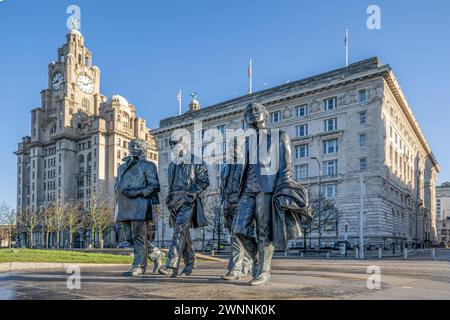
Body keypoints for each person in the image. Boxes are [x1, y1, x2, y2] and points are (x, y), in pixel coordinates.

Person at [234, 102, 309, 286]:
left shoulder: (279, 136)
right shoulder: (247, 141)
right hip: (247, 190)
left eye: (256, 110)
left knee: (263, 232)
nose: (252, 114)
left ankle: (264, 271)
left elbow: (286, 166)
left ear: (265, 115)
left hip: (267, 188)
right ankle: (259, 261)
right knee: (239, 229)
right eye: (248, 112)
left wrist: (283, 188)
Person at [158, 134, 210, 277]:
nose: (172, 147)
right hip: (173, 202)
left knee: (179, 231)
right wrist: (169, 199)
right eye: (170, 144)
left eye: (174, 143)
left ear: (184, 143)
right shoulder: (172, 164)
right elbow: (171, 184)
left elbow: (204, 181)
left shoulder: (196, 161)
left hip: (188, 201)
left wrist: (190, 195)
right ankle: (191, 262)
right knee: (183, 234)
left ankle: (171, 266)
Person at [115, 138, 161, 277]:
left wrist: (137, 192)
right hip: (124, 205)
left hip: (140, 204)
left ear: (143, 149)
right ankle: (154, 253)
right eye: (132, 145)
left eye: (137, 145)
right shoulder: (122, 166)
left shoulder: (148, 165)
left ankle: (139, 267)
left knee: (139, 237)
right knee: (128, 237)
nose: (134, 148)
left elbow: (155, 186)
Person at [220, 140, 253, 280]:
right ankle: (246, 264)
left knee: (236, 236)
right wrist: (222, 202)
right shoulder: (225, 167)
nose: (232, 150)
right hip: (227, 204)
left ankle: (235, 268)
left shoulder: (246, 165)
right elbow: (222, 187)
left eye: (235, 148)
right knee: (236, 236)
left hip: (241, 203)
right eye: (230, 148)